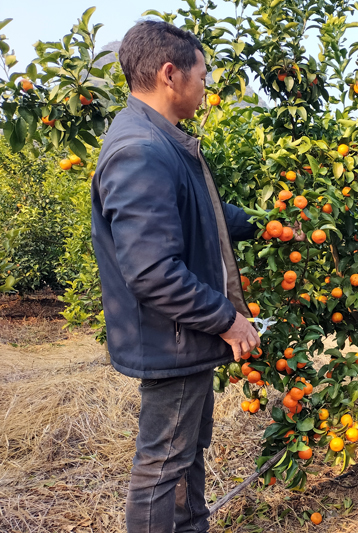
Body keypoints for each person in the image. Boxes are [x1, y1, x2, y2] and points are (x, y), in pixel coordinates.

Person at [91, 21, 261, 532]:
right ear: (171, 73)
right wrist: (227, 320)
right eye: (202, 74)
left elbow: (202, 213)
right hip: (175, 337)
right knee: (163, 465)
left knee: (183, 455)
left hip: (180, 336)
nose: (206, 85)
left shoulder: (159, 142)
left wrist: (270, 227)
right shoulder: (140, 150)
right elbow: (151, 271)